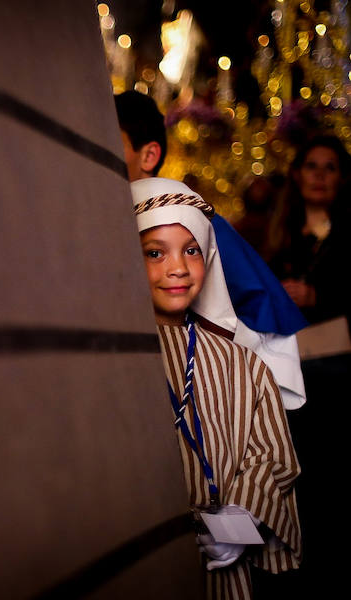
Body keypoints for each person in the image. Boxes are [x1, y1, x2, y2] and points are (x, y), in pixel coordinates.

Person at [133, 177, 302, 600]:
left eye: (192, 250)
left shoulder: (241, 363)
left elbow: (270, 455)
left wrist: (240, 516)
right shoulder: (106, 359)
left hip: (223, 571)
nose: (178, 267)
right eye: (155, 252)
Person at [115, 91, 308, 409]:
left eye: (111, 145)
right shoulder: (99, 219)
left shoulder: (195, 222)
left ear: (148, 155)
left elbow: (258, 309)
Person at [268, 135, 351, 326]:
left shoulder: (346, 234)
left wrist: (316, 298)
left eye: (330, 168)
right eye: (311, 166)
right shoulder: (281, 233)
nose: (319, 175)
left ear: (342, 178)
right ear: (297, 175)